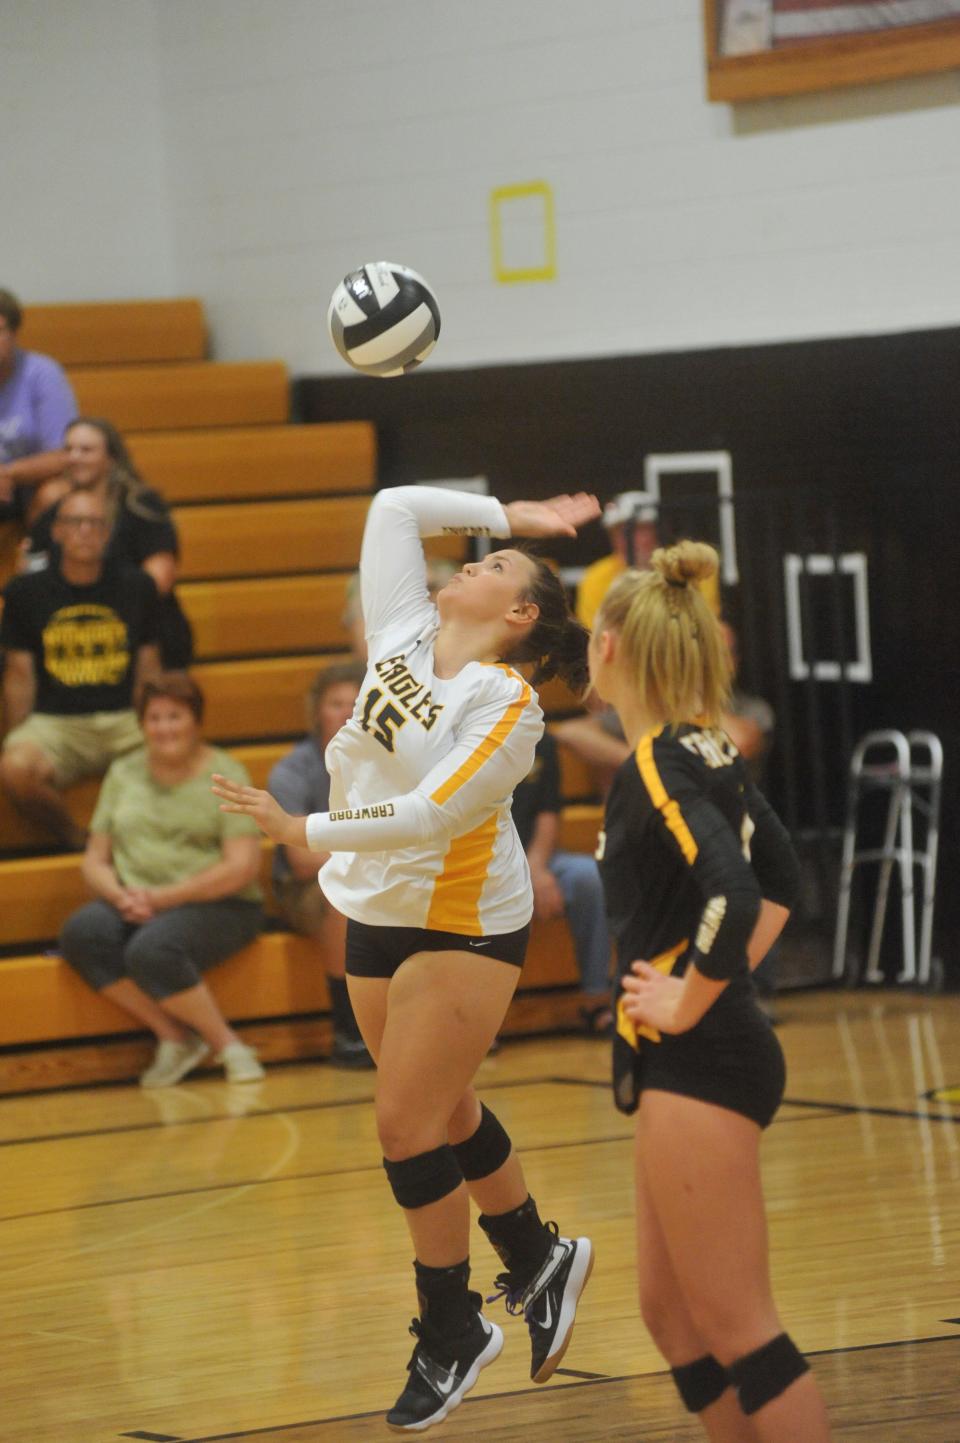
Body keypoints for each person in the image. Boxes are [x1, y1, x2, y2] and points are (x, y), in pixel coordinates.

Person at [212, 484, 599, 1433]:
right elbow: (392, 507)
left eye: (496, 564)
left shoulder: (507, 705)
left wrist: (300, 825)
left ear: (520, 616)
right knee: (442, 1102)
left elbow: (432, 813)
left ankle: (451, 1326)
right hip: (376, 902)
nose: (472, 556)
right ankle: (536, 1253)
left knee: (403, 1122)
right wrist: (517, 518)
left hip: (464, 918)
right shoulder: (402, 630)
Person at [588, 541, 832, 1441]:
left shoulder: (657, 761)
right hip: (702, 1047)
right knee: (671, 1315)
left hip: (704, 1056)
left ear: (610, 646)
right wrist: (717, 981)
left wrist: (693, 994)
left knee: (742, 1327)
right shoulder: (708, 745)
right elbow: (784, 877)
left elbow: (738, 887)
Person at [59, 672, 265, 1087]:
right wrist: (122, 897)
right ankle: (173, 1036)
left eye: (175, 716)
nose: (164, 727)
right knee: (82, 932)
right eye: (154, 718)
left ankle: (227, 1045)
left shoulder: (227, 773)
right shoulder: (123, 773)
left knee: (152, 948)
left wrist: (162, 899)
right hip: (137, 899)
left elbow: (241, 866)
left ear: (196, 722)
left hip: (220, 904)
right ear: (141, 724)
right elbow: (94, 861)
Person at [0, 486, 161, 850]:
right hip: (56, 723)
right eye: (75, 522)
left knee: (180, 759)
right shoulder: (24, 592)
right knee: (14, 768)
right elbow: (18, 675)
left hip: (124, 719)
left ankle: (141, 850)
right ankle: (75, 838)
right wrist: (16, 735)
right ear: (56, 531)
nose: (85, 530)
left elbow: (148, 667)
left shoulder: (138, 586)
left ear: (108, 532)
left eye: (95, 523)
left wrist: (149, 722)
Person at [267, 659, 373, 1068]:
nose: (347, 712)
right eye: (335, 703)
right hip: (304, 888)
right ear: (316, 711)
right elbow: (302, 861)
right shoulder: (294, 770)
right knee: (344, 901)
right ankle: (348, 1033)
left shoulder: (388, 761)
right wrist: (375, 842)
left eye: (356, 703)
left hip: (372, 872)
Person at [23, 416, 194, 668]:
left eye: (86, 450)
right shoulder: (52, 515)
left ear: (111, 458)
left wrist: (104, 619)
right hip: (73, 636)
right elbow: (31, 572)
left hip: (140, 632)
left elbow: (159, 579)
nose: (75, 457)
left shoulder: (142, 507)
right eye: (69, 449)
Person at [511, 729, 614, 1034]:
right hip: (487, 860)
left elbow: (548, 811)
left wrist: (537, 867)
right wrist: (515, 873)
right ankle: (479, 1018)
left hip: (537, 857)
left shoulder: (536, 736)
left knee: (589, 878)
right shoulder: (462, 736)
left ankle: (597, 1001)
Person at [0, 287, 77, 524]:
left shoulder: (43, 374)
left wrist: (8, 473)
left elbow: (64, 455)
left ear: (14, 334)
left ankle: (39, 558)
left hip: (32, 484)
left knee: (56, 493)